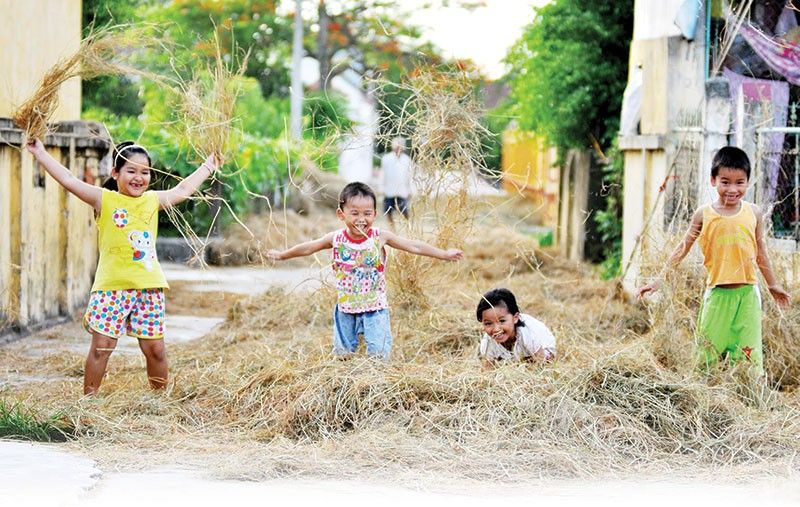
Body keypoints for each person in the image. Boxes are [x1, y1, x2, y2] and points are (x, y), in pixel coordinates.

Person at [25, 139, 220, 395]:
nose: (138, 177)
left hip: (148, 288)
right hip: (111, 288)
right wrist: (40, 153)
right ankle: (89, 403)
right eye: (131, 171)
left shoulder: (152, 200)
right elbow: (70, 180)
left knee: (156, 350)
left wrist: (209, 165)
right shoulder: (103, 199)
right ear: (115, 173)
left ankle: (160, 401)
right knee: (102, 347)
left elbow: (183, 189)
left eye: (145, 172)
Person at [637, 146, 791, 374]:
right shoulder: (703, 214)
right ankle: (706, 399)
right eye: (725, 182)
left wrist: (773, 285)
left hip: (748, 296)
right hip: (717, 295)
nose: (732, 189)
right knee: (705, 357)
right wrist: (660, 280)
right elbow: (682, 248)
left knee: (749, 360)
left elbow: (761, 252)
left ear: (748, 182)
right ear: (713, 180)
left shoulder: (754, 213)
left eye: (740, 182)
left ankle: (748, 401)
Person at [267, 182, 463, 359]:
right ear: (341, 214)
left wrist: (444, 254)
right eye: (354, 213)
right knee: (344, 354)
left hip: (375, 308)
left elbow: (414, 246)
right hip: (346, 307)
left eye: (367, 213)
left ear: (375, 214)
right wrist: (283, 255)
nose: (361, 219)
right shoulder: (336, 238)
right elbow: (309, 247)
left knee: (378, 354)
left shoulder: (380, 237)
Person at [476, 288, 556, 367]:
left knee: (545, 360)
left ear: (515, 318)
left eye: (502, 321)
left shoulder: (527, 334)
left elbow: (541, 362)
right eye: (488, 324)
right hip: (515, 354)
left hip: (542, 348)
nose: (496, 329)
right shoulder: (488, 342)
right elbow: (487, 371)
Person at [381, 137, 413, 227]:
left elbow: (409, 176)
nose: (398, 147)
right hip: (389, 190)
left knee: (405, 211)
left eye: (400, 145)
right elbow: (383, 174)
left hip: (402, 191)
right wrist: (382, 188)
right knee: (388, 211)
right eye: (396, 145)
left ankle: (409, 228)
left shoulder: (407, 160)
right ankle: (392, 230)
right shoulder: (386, 158)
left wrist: (410, 189)